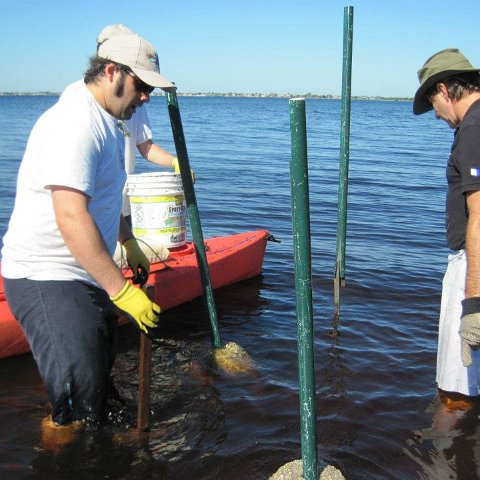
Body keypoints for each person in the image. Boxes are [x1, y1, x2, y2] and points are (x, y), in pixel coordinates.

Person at [1, 30, 174, 432]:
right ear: (111, 71)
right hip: (46, 276)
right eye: (142, 84)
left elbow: (105, 199)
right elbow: (72, 216)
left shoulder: (110, 121)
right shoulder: (76, 123)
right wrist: (122, 290)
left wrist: (127, 240)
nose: (147, 96)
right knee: (76, 408)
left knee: (99, 389)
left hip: (82, 272)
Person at [413, 48, 480, 408]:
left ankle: (443, 458)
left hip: (473, 265)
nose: (435, 116)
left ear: (443, 89)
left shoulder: (474, 128)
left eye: (432, 105)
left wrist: (473, 304)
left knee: (457, 388)